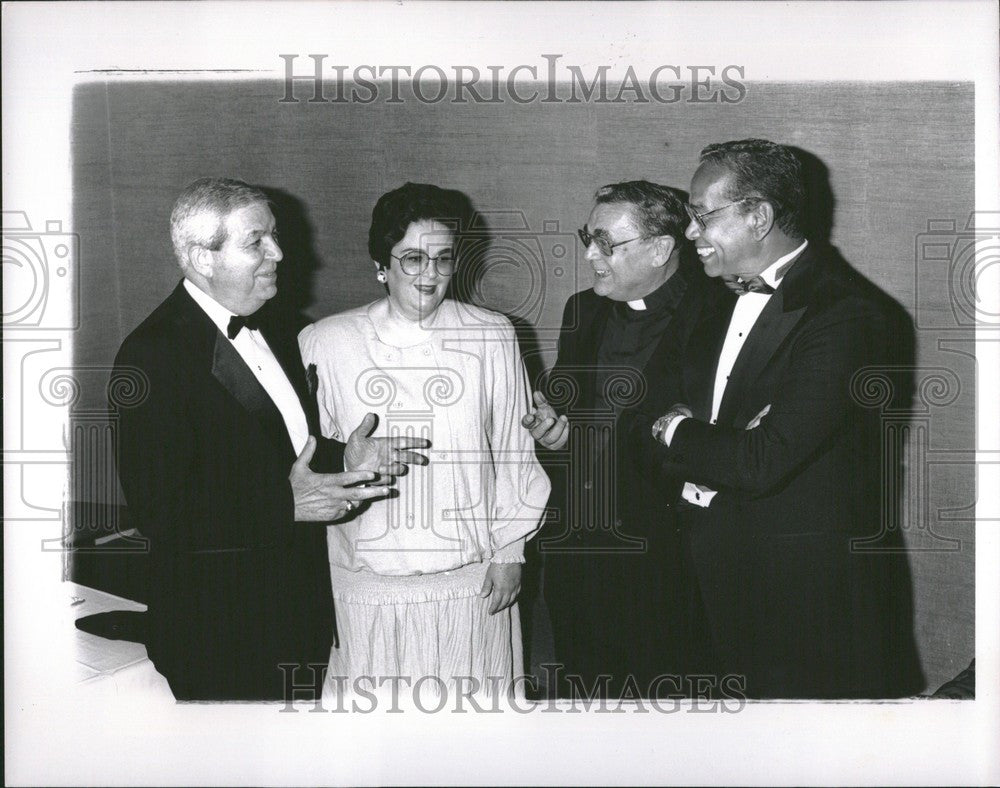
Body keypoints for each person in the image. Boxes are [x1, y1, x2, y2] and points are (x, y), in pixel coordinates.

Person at [620, 139, 918, 698]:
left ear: (758, 216)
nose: (690, 232)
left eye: (702, 216)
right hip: (697, 575)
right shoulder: (706, 299)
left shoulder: (851, 315)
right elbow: (638, 417)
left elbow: (760, 462)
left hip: (802, 600)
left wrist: (678, 428)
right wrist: (704, 443)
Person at [112, 177, 428, 701]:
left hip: (295, 614)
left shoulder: (278, 326)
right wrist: (286, 505)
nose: (278, 253)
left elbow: (277, 451)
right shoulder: (151, 356)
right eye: (257, 241)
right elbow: (161, 511)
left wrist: (343, 455)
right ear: (201, 257)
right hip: (219, 632)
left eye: (274, 236)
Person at [298, 182, 550, 699]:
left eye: (442, 258)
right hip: (365, 585)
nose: (429, 274)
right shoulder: (325, 342)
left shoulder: (493, 334)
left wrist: (511, 552)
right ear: (381, 264)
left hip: (470, 584)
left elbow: (513, 450)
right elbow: (306, 466)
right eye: (412, 258)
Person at [521, 180, 723, 698]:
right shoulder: (581, 311)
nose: (591, 254)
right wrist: (553, 435)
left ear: (660, 249)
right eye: (589, 237)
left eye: (607, 243)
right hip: (579, 559)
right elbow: (568, 416)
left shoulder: (720, 315)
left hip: (671, 568)